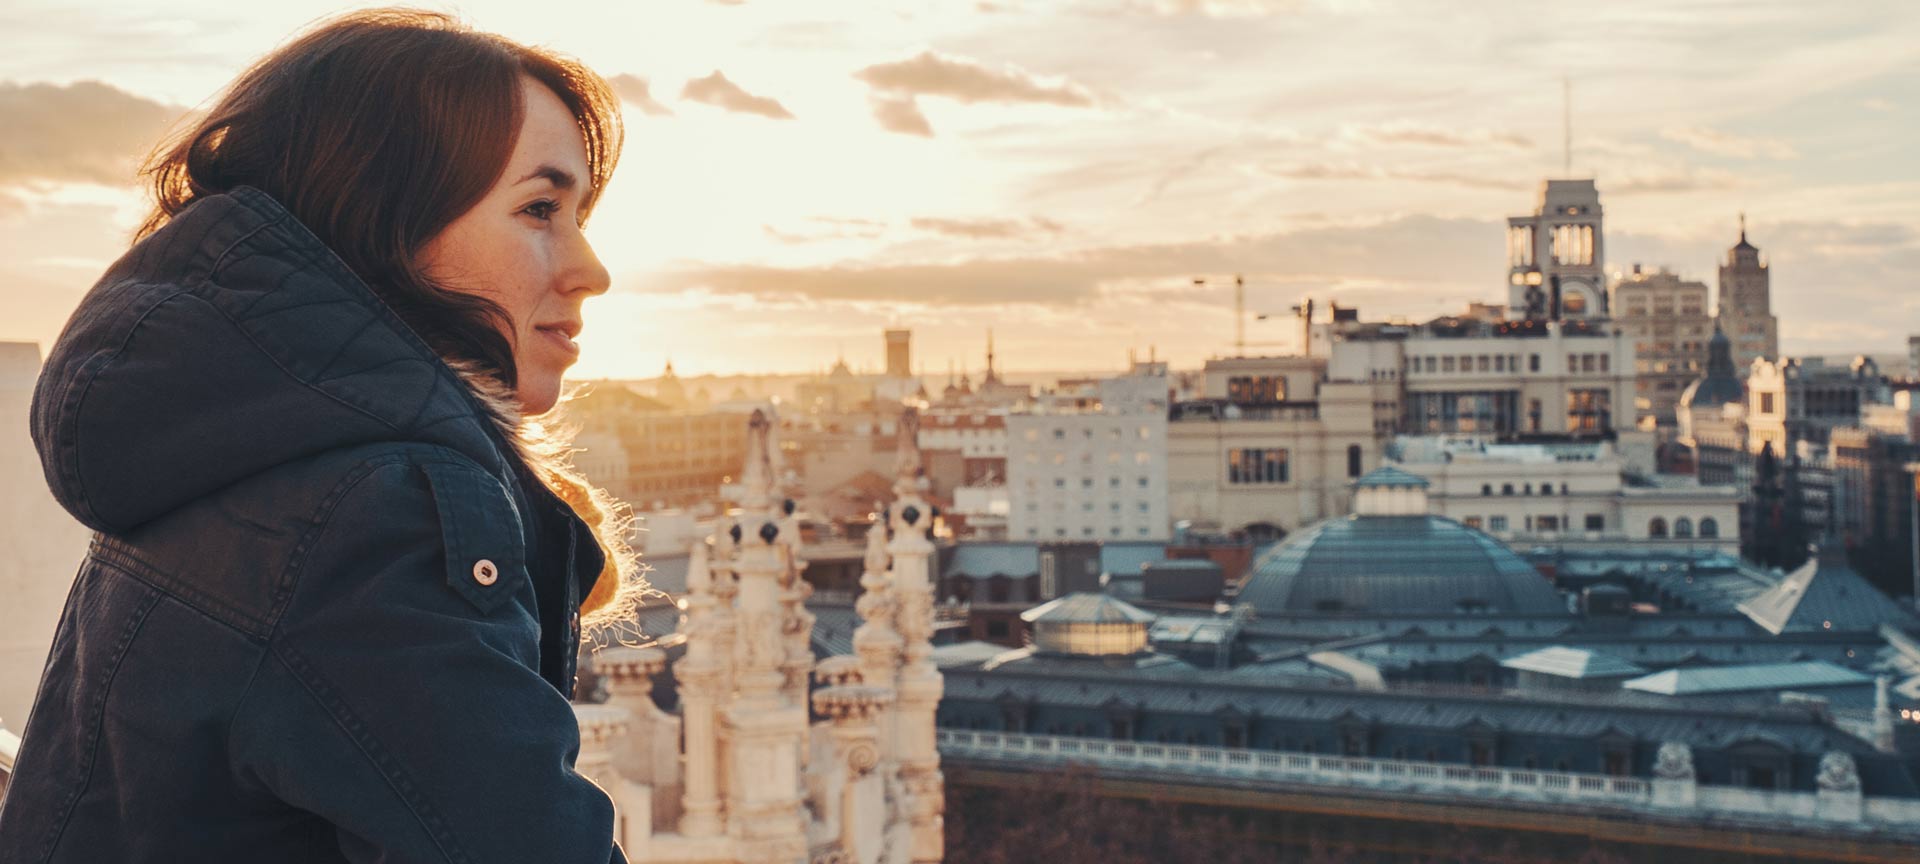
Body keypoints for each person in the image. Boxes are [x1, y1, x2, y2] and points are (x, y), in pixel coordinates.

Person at [0, 9, 643, 862]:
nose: (591, 269)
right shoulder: (373, 511)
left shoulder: (239, 449)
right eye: (538, 209)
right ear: (386, 224)